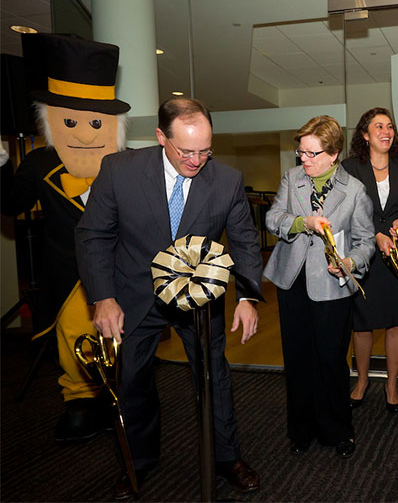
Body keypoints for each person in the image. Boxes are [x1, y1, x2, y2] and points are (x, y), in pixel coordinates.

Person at [75, 97, 262, 499]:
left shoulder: (226, 180)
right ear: (162, 137)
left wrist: (247, 296)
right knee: (132, 381)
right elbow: (93, 235)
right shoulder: (118, 171)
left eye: (205, 150)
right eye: (187, 151)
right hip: (134, 295)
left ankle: (227, 457)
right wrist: (102, 297)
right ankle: (137, 462)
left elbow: (246, 240)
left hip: (198, 298)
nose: (197, 160)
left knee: (214, 378)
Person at [0, 33, 129, 443]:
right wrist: (1, 162)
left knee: (121, 338)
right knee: (73, 338)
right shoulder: (39, 164)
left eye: (96, 122)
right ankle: (80, 400)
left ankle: (119, 397)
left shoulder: (127, 163)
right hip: (68, 272)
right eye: (71, 121)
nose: (87, 133)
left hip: (120, 268)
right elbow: (11, 204)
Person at [263, 115, 374, 459]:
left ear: (334, 154)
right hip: (291, 282)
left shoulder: (354, 190)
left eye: (312, 154)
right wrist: (302, 222)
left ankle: (338, 430)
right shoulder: (291, 178)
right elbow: (272, 219)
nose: (304, 160)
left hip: (331, 285)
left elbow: (365, 241)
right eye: (302, 153)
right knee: (297, 360)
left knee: (330, 361)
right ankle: (301, 429)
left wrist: (351, 263)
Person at [341, 108, 398, 413]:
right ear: (365, 134)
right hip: (364, 254)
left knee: (396, 322)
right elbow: (348, 211)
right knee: (362, 323)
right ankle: (361, 381)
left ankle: (391, 385)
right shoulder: (349, 168)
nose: (386, 131)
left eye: (389, 126)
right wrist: (376, 235)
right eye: (378, 126)